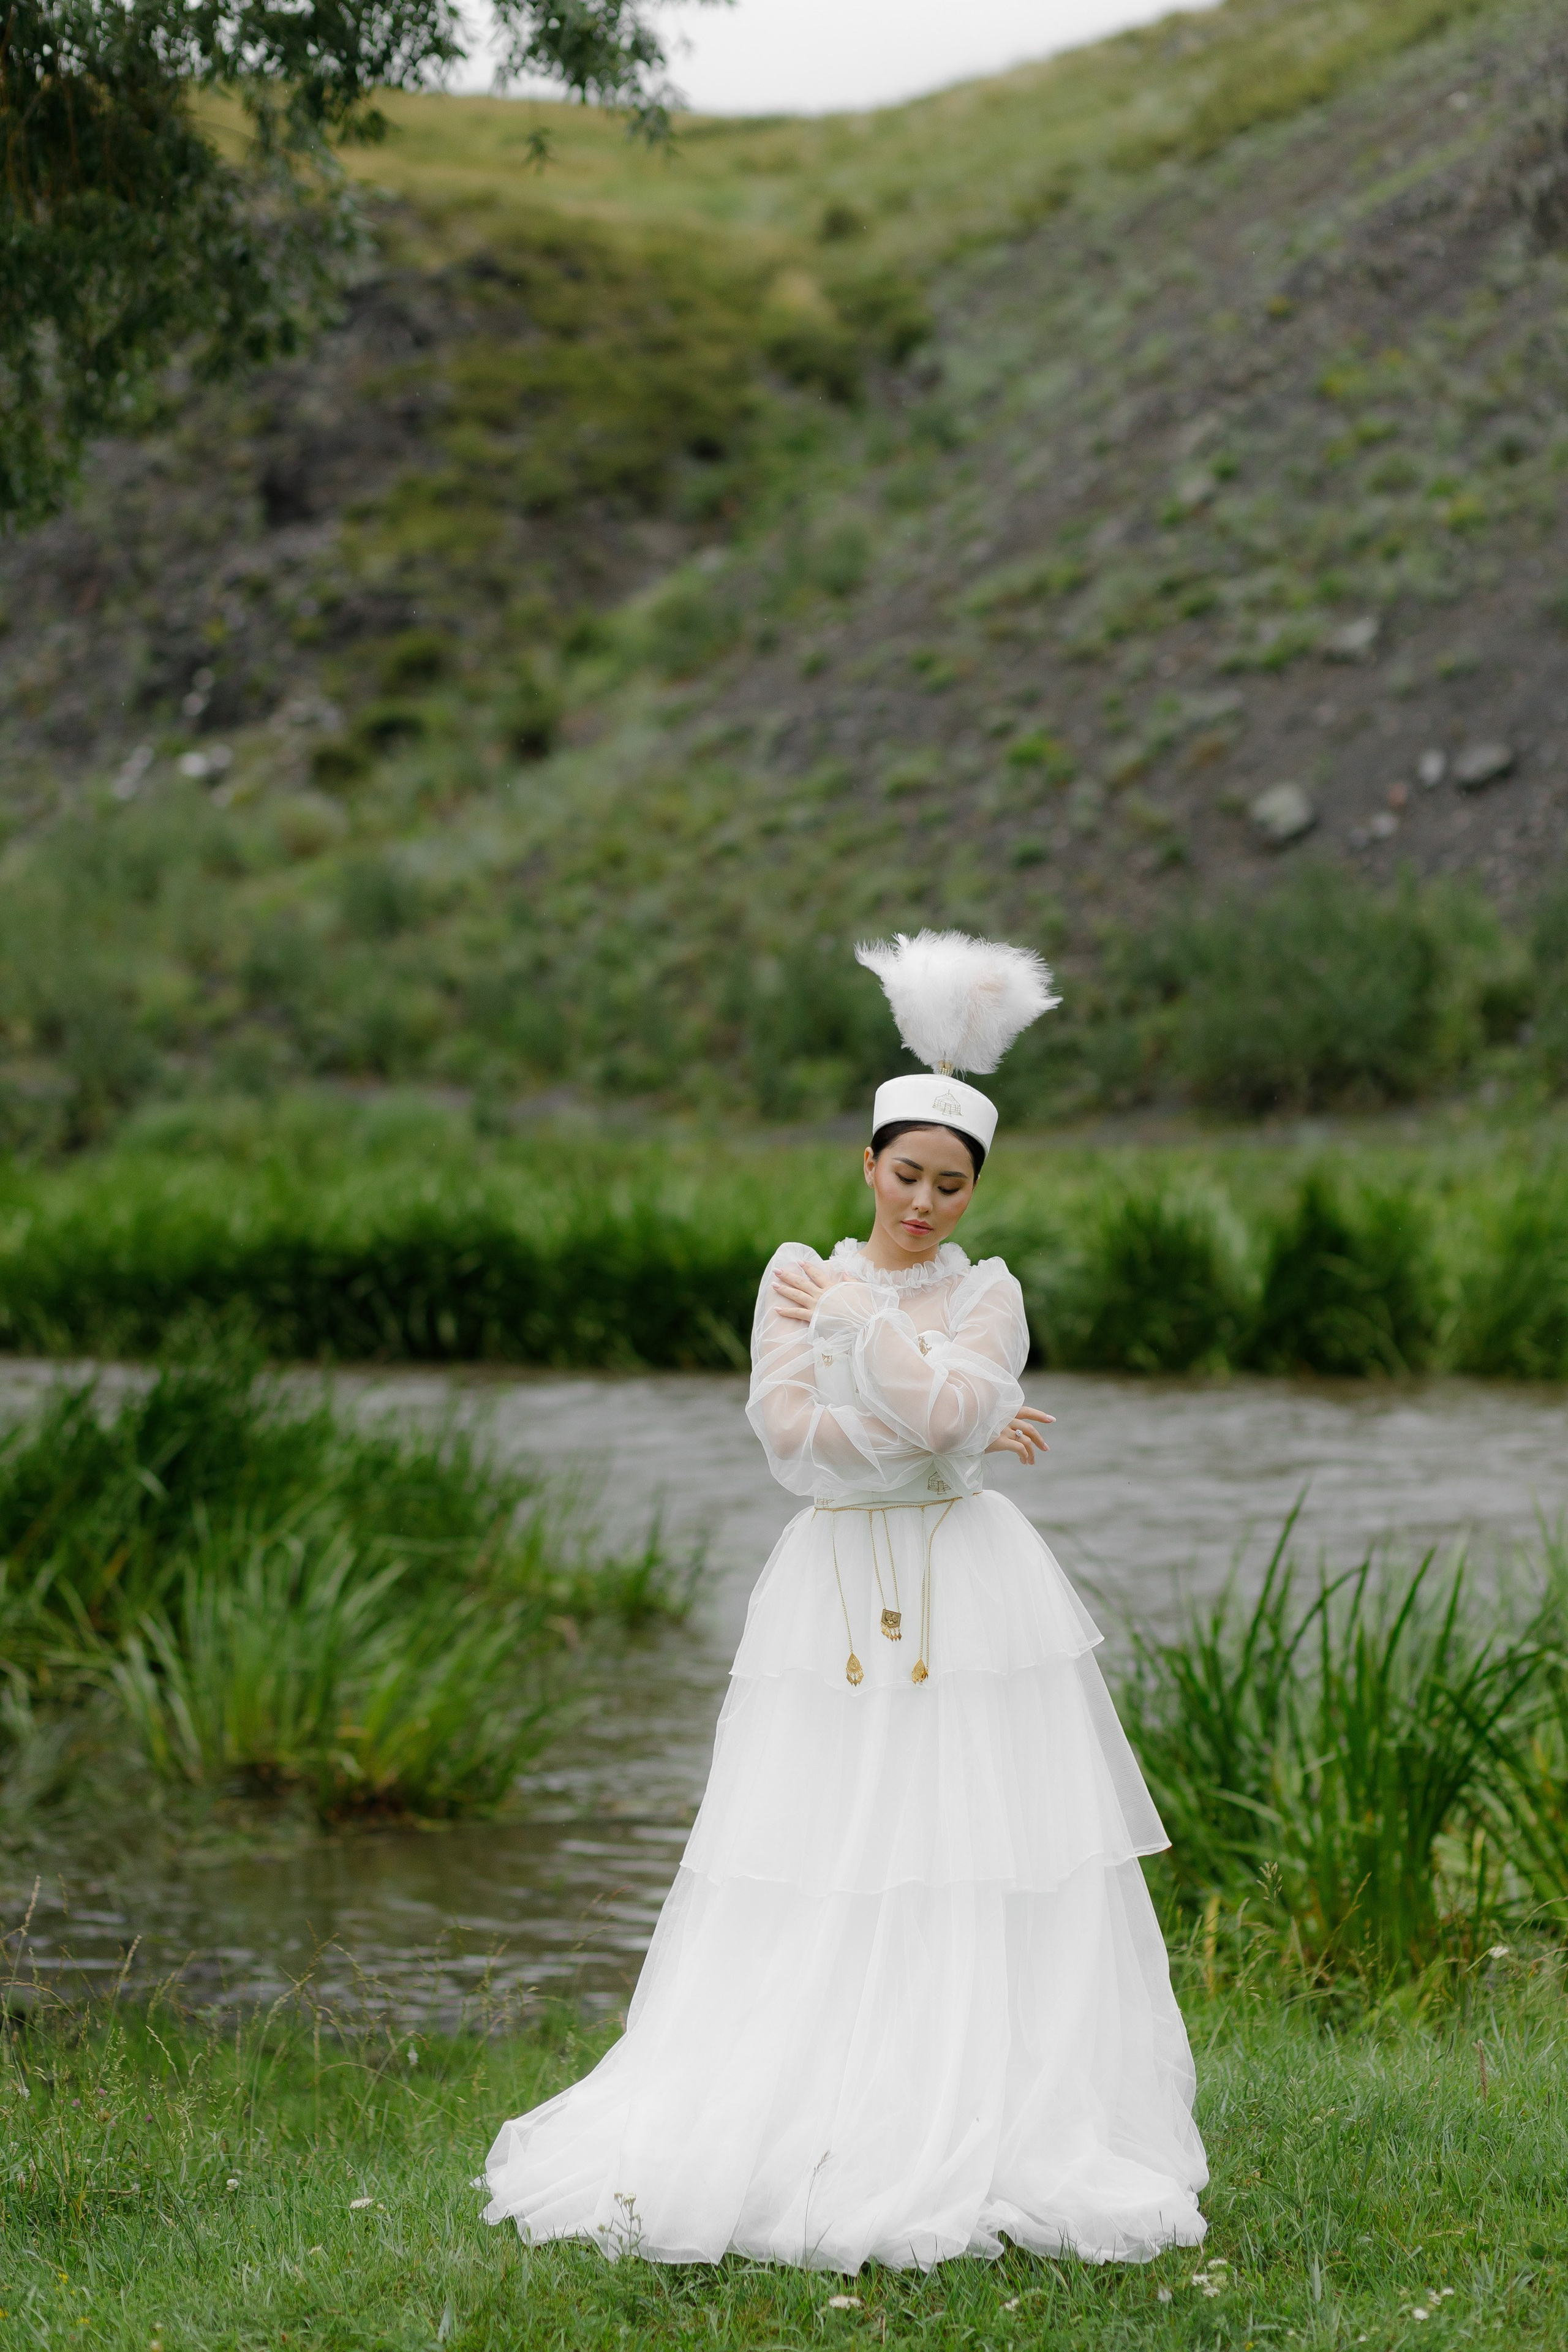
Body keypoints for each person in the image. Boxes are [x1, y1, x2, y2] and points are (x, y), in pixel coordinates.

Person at [481, 930, 1208, 2271]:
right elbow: (795, 1445)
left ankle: (988, 2105)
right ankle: (819, 2106)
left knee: (983, 1841)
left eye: (950, 1184)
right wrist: (936, 1411)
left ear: (972, 1189)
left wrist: (871, 1347)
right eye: (906, 1175)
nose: (925, 1203)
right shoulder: (788, 1276)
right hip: (832, 1592)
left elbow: (937, 1418)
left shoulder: (986, 1293)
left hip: (970, 1593)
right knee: (817, 1835)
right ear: (867, 1165)